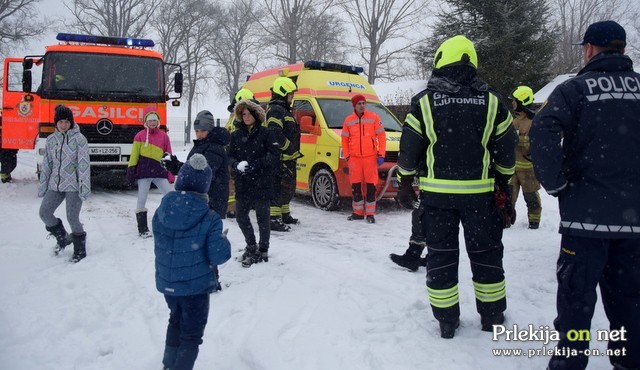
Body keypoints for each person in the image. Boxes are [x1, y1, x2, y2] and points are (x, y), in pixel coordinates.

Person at [530, 20, 640, 370]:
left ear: (590, 49)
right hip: (635, 223)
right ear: (622, 49)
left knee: (576, 304)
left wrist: (556, 183)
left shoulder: (574, 90)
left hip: (585, 221)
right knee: (631, 305)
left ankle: (569, 364)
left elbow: (542, 130)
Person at [397, 35, 517, 338]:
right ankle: (491, 316)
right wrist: (504, 185)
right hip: (481, 198)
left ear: (440, 61)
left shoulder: (425, 101)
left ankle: (447, 321)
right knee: (487, 256)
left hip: (438, 199)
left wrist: (404, 182)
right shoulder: (492, 101)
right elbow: (506, 152)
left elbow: (409, 150)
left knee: (441, 257)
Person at [153, 153, 231, 370]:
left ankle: (169, 365)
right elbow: (219, 256)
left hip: (169, 283)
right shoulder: (210, 217)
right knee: (191, 335)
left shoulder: (162, 210)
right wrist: (222, 239)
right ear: (205, 186)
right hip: (195, 289)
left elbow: (161, 239)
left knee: (175, 321)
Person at [229, 99, 280, 267]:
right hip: (243, 182)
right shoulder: (235, 135)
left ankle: (263, 249)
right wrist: (235, 165)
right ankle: (251, 245)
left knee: (262, 217)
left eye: (249, 114)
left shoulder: (266, 133)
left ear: (256, 115)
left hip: (261, 182)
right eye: (243, 114)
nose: (246, 117)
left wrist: (258, 164)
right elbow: (229, 156)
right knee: (241, 216)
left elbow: (274, 155)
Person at [38, 104, 91, 263]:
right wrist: (43, 185)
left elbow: (83, 165)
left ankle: (80, 249)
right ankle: (63, 238)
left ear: (71, 122)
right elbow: (47, 164)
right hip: (56, 184)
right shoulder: (51, 140)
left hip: (74, 186)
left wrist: (84, 187)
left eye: (67, 122)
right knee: (45, 213)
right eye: (60, 121)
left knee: (72, 217)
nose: (63, 125)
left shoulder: (79, 139)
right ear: (56, 122)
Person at [164, 110, 231, 219]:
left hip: (213, 199)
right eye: (196, 131)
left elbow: (203, 172)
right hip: (201, 197)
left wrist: (178, 167)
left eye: (203, 130)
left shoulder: (215, 147)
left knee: (208, 233)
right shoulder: (201, 145)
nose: (199, 134)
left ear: (210, 130)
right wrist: (176, 166)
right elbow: (193, 168)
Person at [126, 109, 173, 238]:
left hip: (159, 172)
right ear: (146, 122)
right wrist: (131, 171)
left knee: (171, 196)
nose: (152, 122)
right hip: (144, 173)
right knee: (142, 199)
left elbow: (168, 155)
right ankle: (143, 229)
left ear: (158, 122)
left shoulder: (164, 136)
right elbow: (134, 154)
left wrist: (170, 173)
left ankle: (170, 223)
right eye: (150, 120)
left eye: (154, 120)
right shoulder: (139, 136)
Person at [341, 94, 386, 223]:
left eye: (363, 103)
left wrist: (381, 154)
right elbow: (344, 139)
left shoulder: (374, 117)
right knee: (356, 187)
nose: (362, 105)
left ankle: (370, 214)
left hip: (370, 159)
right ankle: (358, 213)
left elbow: (381, 137)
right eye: (359, 103)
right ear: (354, 105)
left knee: (371, 187)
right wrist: (348, 155)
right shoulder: (348, 120)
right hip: (354, 159)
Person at [265, 76, 302, 231]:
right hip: (280, 159)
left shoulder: (284, 111)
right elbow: (274, 133)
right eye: (290, 94)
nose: (292, 97)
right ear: (283, 93)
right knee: (278, 188)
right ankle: (273, 219)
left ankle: (285, 214)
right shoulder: (276, 110)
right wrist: (288, 148)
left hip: (288, 159)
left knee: (287, 188)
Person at [508, 85, 542, 229]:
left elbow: (538, 144)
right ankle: (506, 219)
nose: (512, 103)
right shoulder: (512, 120)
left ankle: (534, 221)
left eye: (515, 101)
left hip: (528, 169)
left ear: (522, 102)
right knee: (508, 196)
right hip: (511, 168)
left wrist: (520, 140)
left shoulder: (535, 121)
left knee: (531, 196)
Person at [225, 88, 257, 219]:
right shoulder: (237, 120)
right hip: (236, 156)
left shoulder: (232, 118)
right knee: (234, 181)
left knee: (234, 182)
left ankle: (234, 207)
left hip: (235, 155)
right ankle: (233, 208)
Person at [389, 172, 427, 271]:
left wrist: (404, 184)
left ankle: (413, 256)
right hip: (465, 187)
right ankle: (436, 256)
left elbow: (407, 163)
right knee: (442, 220)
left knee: (420, 216)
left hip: (434, 186)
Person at [0, 116, 19, 183]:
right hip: (5, 146)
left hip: (10, 145)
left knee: (12, 163)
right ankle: (4, 178)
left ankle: (6, 175)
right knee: (7, 162)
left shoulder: (9, 120)